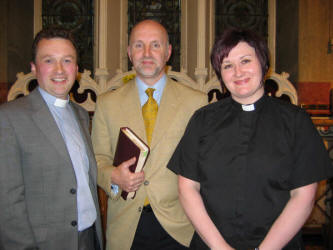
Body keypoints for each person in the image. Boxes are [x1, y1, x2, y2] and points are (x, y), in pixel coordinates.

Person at [167, 28, 333, 250]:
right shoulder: (203, 120)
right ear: (220, 74)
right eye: (227, 65)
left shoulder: (295, 121)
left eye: (245, 60)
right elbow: (187, 188)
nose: (238, 72)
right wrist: (220, 247)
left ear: (263, 63)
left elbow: (303, 196)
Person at [91, 19, 207, 250]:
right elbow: (96, 159)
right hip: (126, 228)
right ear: (129, 53)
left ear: (168, 52)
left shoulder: (196, 102)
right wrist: (114, 176)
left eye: (155, 45)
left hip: (180, 227)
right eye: (138, 45)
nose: (146, 53)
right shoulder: (107, 103)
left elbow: (205, 165)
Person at [0, 28, 103, 250]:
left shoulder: (81, 114)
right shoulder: (9, 118)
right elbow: (7, 203)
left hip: (89, 238)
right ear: (34, 68)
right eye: (49, 60)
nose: (59, 70)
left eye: (67, 60)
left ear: (76, 69)